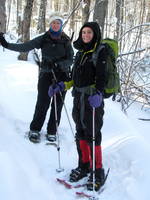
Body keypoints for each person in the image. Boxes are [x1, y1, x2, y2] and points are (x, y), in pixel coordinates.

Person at [48, 22, 107, 191]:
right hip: (78, 99)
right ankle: (84, 165)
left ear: (95, 34)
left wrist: (99, 94)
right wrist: (62, 86)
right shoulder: (80, 52)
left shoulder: (100, 52)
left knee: (93, 134)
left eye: (89, 32)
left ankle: (98, 170)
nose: (86, 35)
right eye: (83, 32)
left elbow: (102, 77)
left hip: (92, 100)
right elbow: (75, 78)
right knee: (80, 131)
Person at [0, 12, 74, 143]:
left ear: (61, 25)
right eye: (53, 23)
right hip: (46, 75)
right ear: (50, 24)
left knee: (57, 105)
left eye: (58, 23)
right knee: (42, 104)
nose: (55, 25)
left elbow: (70, 59)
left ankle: (52, 131)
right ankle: (35, 129)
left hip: (62, 76)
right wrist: (6, 45)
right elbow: (26, 46)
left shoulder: (66, 40)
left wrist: (58, 64)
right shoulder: (44, 38)